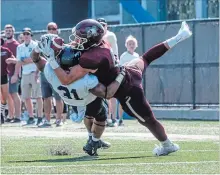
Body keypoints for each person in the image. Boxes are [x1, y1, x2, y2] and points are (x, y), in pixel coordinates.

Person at [45, 20, 192, 156]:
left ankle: (167, 145)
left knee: (147, 120)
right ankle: (180, 36)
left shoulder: (90, 58)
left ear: (90, 39)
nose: (76, 40)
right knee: (146, 58)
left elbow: (67, 78)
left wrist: (51, 60)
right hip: (127, 70)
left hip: (126, 89)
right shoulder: (101, 43)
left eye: (79, 38)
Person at [31, 34, 126, 153]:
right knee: (101, 114)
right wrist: (121, 75)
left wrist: (37, 49)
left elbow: (35, 59)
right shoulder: (88, 80)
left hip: (71, 101)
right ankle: (94, 141)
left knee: (89, 113)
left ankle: (91, 137)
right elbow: (108, 93)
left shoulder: (49, 71)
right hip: (85, 97)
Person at [12, 28, 43, 125]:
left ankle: (40, 117)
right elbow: (19, 61)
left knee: (38, 96)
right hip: (25, 73)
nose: (26, 35)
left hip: (34, 72)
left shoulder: (35, 45)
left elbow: (35, 59)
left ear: (31, 35)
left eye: (28, 34)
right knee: (26, 97)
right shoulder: (20, 47)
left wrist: (25, 60)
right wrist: (16, 74)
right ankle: (31, 116)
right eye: (24, 34)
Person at [39, 22, 64, 127]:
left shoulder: (61, 42)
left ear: (57, 30)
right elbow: (38, 59)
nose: (52, 30)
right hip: (44, 72)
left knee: (58, 97)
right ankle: (47, 120)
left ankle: (59, 119)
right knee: (46, 97)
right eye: (50, 28)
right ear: (47, 30)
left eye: (54, 28)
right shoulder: (42, 42)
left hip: (56, 73)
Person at [97, 18, 119, 127]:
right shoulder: (95, 36)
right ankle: (106, 117)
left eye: (103, 25)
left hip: (111, 67)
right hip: (99, 69)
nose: (101, 26)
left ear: (107, 26)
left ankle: (112, 118)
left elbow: (114, 53)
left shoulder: (110, 36)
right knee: (102, 94)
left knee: (111, 94)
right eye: (99, 24)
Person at [118, 35, 140, 125]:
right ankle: (120, 119)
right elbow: (121, 67)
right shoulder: (124, 56)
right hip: (125, 81)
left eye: (133, 44)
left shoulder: (137, 55)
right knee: (123, 101)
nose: (131, 45)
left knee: (137, 100)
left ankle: (139, 117)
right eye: (129, 44)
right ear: (126, 45)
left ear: (136, 45)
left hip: (135, 82)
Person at [3, 24, 21, 123]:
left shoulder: (17, 45)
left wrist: (15, 75)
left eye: (10, 31)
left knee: (14, 94)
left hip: (13, 73)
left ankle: (18, 116)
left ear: (13, 32)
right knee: (8, 95)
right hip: (5, 74)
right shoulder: (4, 44)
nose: (8, 32)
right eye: (7, 31)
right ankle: (10, 115)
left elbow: (19, 60)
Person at [1, 35, 15, 124]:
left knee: (4, 98)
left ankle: (2, 113)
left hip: (4, 76)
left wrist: (11, 60)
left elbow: (14, 59)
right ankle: (1, 114)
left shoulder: (5, 50)